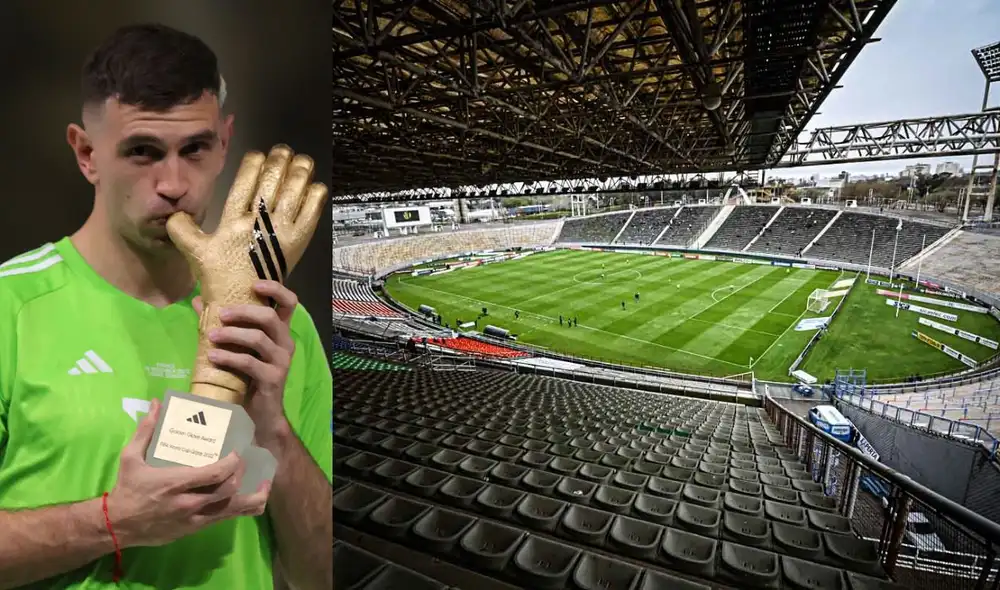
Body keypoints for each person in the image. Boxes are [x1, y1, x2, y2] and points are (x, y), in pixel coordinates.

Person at [0, 24, 331, 590]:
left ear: (225, 143)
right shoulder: (12, 307)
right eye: (143, 152)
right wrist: (115, 522)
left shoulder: (276, 325)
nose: (174, 184)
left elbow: (319, 573)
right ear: (86, 154)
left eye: (195, 149)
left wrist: (271, 426)